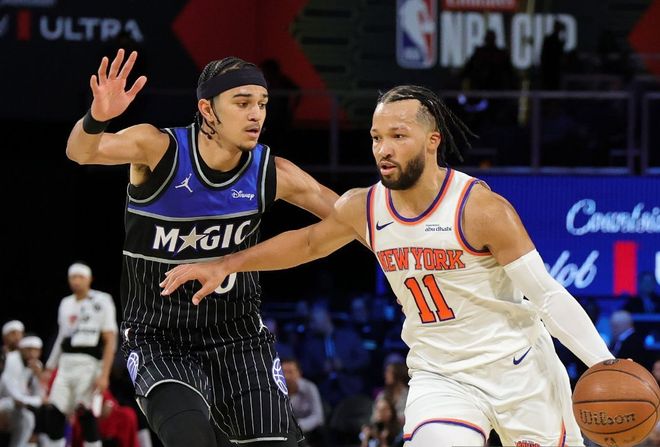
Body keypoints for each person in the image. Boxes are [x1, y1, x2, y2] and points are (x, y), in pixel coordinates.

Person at [161, 85, 616, 447]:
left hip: (520, 372)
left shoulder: (481, 209)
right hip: (442, 376)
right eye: (377, 137)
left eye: (398, 136)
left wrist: (605, 364)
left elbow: (547, 295)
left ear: (432, 142)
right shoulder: (365, 207)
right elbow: (308, 243)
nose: (384, 148)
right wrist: (227, 263)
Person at [65, 49, 338, 447]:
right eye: (242, 103)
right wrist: (97, 117)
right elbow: (80, 152)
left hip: (238, 337)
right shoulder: (158, 148)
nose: (256, 114)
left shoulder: (271, 171)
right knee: (190, 438)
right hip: (159, 337)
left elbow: (353, 218)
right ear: (207, 109)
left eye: (262, 103)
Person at [42, 263, 117, 447]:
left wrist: (104, 374)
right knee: (55, 412)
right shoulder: (65, 303)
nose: (76, 281)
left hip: (89, 363)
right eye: (73, 277)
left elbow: (110, 339)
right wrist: (49, 367)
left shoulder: (102, 300)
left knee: (86, 414)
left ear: (89, 279)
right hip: (66, 364)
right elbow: (61, 337)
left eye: (80, 277)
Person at [0, 335, 45, 447]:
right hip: (4, 403)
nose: (32, 354)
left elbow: (41, 395)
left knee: (27, 418)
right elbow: (14, 395)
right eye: (29, 350)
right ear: (21, 349)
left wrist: (39, 377)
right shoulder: (11, 360)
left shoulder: (36, 366)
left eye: (36, 350)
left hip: (13, 406)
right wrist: (38, 400)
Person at [281, 358, 326, 447]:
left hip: (307, 428)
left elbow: (318, 417)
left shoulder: (309, 387)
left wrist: (298, 426)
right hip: (286, 430)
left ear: (299, 373)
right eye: (283, 372)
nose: (287, 376)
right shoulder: (276, 390)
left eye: (290, 372)